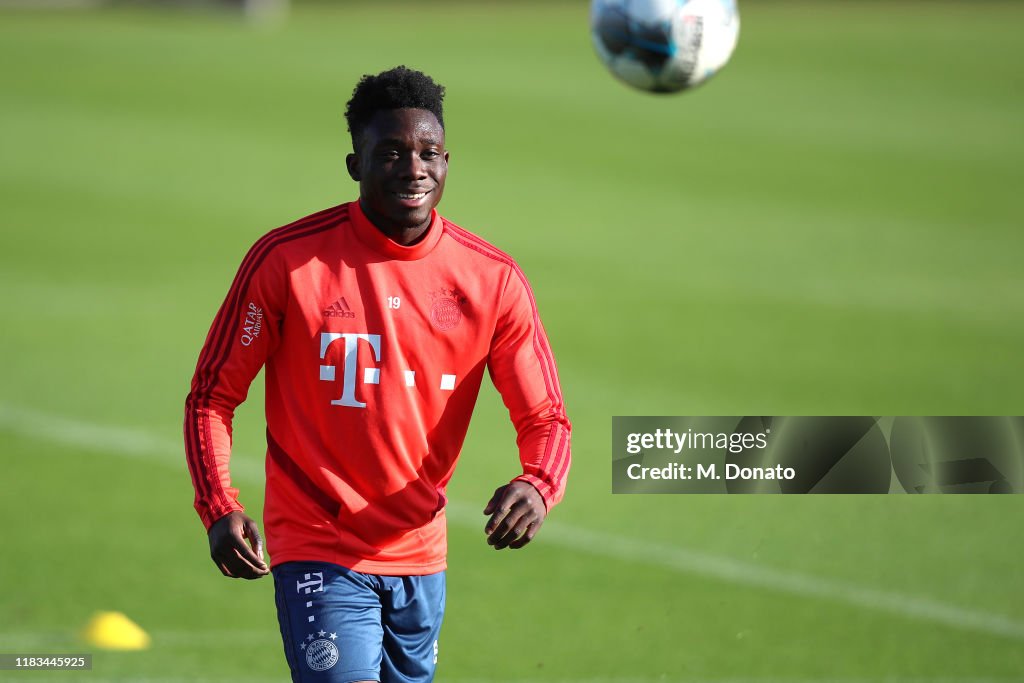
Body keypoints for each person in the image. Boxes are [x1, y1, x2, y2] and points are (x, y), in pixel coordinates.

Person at [183, 65, 571, 683]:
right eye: (390, 153)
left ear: (448, 162)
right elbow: (212, 396)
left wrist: (538, 483)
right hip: (317, 541)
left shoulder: (492, 282)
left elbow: (544, 414)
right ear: (354, 164)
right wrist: (218, 503)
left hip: (422, 554)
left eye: (428, 153)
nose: (413, 168)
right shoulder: (286, 262)